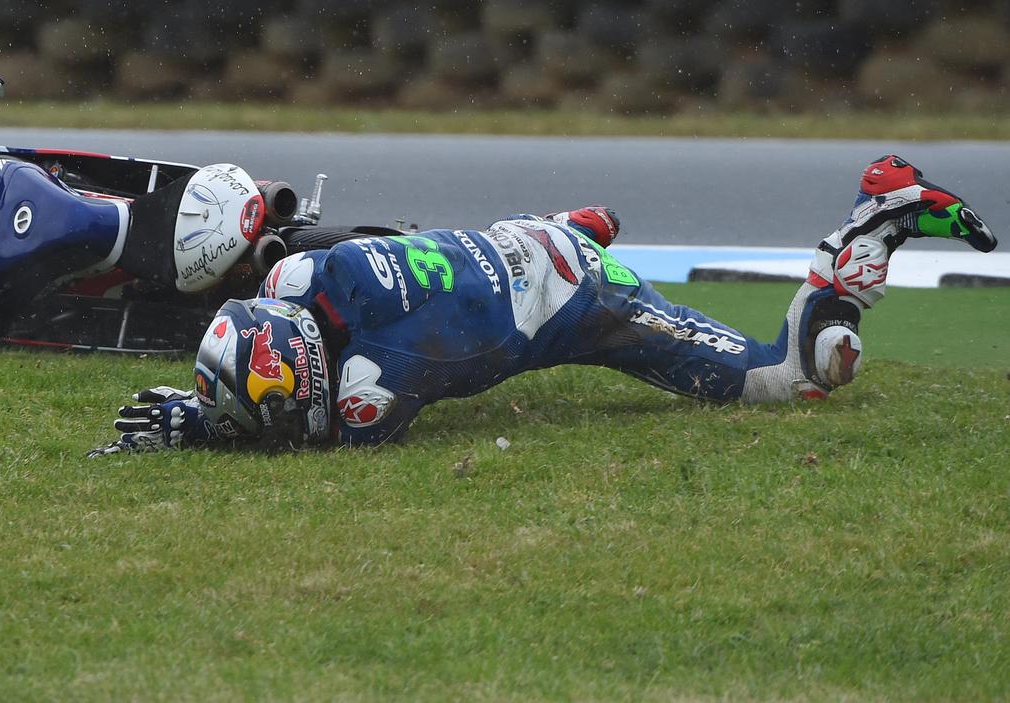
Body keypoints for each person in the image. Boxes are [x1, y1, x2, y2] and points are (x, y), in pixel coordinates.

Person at [87, 155, 996, 456]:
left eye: (281, 401)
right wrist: (220, 382)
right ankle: (577, 222)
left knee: (790, 378)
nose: (288, 417)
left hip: (580, 291)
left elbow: (321, 436)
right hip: (524, 236)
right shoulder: (300, 283)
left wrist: (205, 428)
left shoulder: (374, 387)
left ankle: (875, 217)